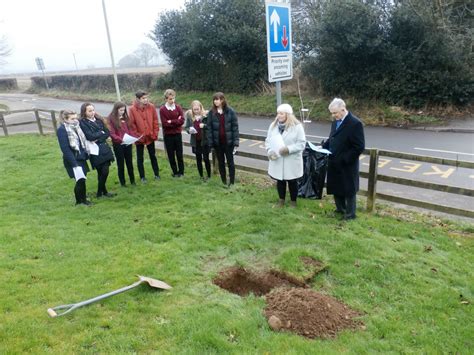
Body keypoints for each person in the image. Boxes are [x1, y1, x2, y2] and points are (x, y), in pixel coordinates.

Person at [322, 98, 365, 220]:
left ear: (343, 109)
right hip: (333, 161)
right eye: (332, 113)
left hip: (347, 164)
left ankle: (350, 214)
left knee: (349, 189)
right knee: (336, 186)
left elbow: (359, 147)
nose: (333, 115)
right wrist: (325, 146)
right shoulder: (335, 121)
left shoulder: (355, 123)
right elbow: (333, 138)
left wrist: (345, 159)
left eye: (335, 113)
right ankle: (340, 209)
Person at [265, 104, 306, 207]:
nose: (279, 115)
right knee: (280, 181)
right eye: (278, 113)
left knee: (292, 181)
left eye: (281, 113)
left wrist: (289, 149)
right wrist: (270, 151)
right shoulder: (273, 126)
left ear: (288, 114)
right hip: (278, 159)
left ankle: (293, 202)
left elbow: (301, 144)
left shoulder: (297, 126)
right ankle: (281, 200)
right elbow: (268, 141)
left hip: (291, 160)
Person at [79, 102, 116, 198]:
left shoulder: (99, 120)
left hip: (104, 148)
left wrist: (99, 137)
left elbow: (107, 132)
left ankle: (102, 192)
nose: (92, 112)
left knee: (105, 171)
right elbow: (90, 136)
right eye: (89, 111)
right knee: (102, 171)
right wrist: (101, 133)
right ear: (84, 112)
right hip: (94, 150)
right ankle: (101, 192)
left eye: (93, 110)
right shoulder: (82, 122)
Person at [57, 110, 91, 206]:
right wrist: (74, 164)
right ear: (65, 119)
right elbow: (65, 149)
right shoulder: (62, 130)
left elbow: (81, 141)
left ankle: (84, 200)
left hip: (81, 157)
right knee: (79, 180)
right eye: (72, 119)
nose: (75, 120)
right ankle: (79, 201)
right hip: (73, 160)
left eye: (76, 118)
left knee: (83, 179)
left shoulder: (76, 126)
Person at [207, 92, 239, 186]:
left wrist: (236, 142)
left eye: (219, 99)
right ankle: (224, 181)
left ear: (223, 100)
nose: (217, 101)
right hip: (218, 144)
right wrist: (211, 143)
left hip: (229, 143)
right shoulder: (211, 113)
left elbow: (235, 128)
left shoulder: (230, 111)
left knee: (230, 163)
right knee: (221, 163)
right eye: (215, 99)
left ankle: (232, 182)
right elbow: (209, 129)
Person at [128, 90, 160, 183]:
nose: (146, 100)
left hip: (150, 136)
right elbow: (132, 125)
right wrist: (138, 136)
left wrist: (155, 133)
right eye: (143, 98)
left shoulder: (151, 107)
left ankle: (157, 174)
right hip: (139, 138)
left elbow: (155, 121)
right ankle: (142, 177)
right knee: (140, 158)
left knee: (153, 156)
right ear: (138, 99)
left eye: (146, 97)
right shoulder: (132, 109)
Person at [107, 102, 136, 187]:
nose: (122, 112)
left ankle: (132, 180)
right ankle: (123, 182)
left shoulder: (125, 117)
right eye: (121, 110)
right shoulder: (111, 118)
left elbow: (130, 129)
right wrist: (121, 140)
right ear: (116, 109)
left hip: (127, 143)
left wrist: (132, 137)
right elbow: (112, 133)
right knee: (121, 164)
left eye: (124, 110)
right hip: (118, 144)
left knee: (129, 162)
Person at [159, 89, 185, 177]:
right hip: (168, 135)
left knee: (179, 154)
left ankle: (181, 172)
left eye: (173, 98)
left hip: (178, 134)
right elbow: (165, 124)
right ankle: (175, 172)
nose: (172, 100)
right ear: (166, 99)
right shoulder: (162, 109)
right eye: (170, 99)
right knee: (171, 155)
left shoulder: (178, 107)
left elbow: (182, 121)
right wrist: (176, 121)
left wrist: (171, 121)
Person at [184, 100, 211, 180]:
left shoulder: (206, 115)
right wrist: (189, 130)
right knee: (198, 159)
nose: (196, 111)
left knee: (206, 159)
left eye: (197, 109)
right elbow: (186, 127)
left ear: (201, 108)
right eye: (194, 109)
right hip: (196, 141)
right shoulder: (190, 116)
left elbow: (211, 126)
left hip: (205, 141)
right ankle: (201, 176)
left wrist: (204, 126)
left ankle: (209, 175)